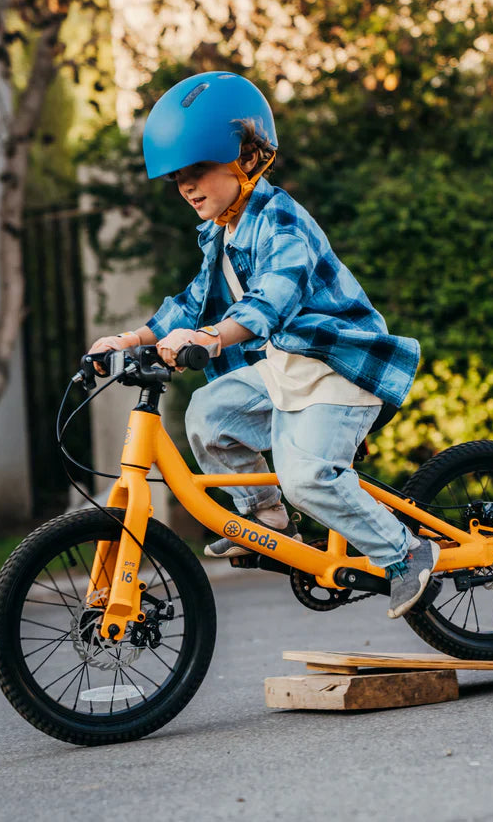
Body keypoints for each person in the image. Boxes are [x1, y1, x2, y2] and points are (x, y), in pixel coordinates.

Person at [88, 71, 439, 618]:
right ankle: (265, 514)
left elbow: (274, 296)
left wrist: (210, 338)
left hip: (336, 365)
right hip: (288, 365)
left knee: (306, 476)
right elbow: (193, 300)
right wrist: (132, 338)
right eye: (177, 177)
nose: (185, 186)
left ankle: (408, 553)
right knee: (208, 413)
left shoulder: (279, 218)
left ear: (247, 157)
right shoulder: (222, 230)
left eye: (197, 169)